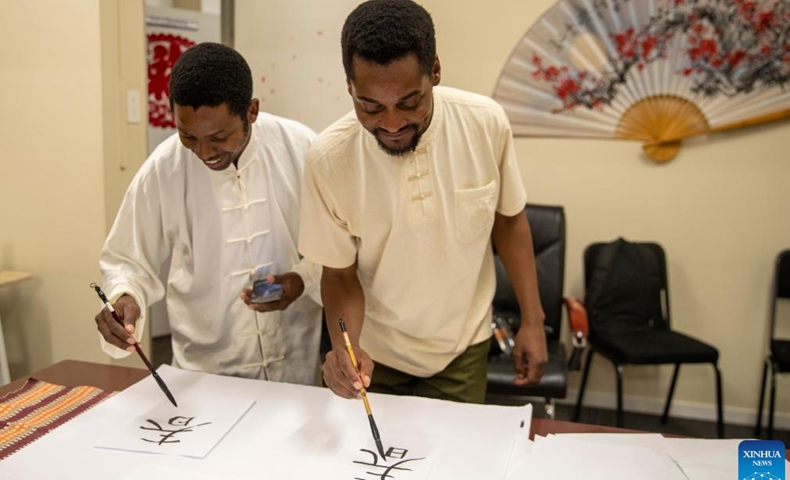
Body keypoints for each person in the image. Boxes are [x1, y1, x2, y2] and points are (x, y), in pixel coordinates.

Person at [299, 0, 548, 404]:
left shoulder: (485, 124)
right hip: (376, 353)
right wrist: (347, 347)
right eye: (370, 106)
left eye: (410, 102)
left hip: (461, 348)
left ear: (435, 71)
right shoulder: (328, 159)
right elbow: (340, 275)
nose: (393, 123)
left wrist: (533, 321)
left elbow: (509, 222)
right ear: (350, 87)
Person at [95, 42, 322, 385]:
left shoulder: (302, 148)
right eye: (188, 136)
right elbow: (128, 259)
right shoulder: (165, 168)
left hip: (297, 368)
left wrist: (302, 279)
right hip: (206, 374)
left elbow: (342, 244)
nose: (203, 152)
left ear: (252, 111)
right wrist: (124, 297)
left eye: (218, 137)